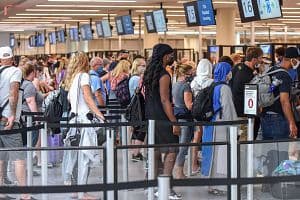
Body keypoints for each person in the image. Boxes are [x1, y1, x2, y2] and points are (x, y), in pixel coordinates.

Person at [63, 52, 106, 200]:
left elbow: (70, 99)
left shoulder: (73, 79)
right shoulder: (85, 77)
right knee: (85, 157)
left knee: (75, 156)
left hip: (73, 121)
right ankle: (83, 193)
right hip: (84, 121)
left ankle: (76, 189)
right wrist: (100, 115)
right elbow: (88, 98)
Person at [143, 43, 181, 199]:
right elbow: (165, 100)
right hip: (162, 117)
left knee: (156, 151)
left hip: (150, 115)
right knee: (172, 150)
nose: (172, 58)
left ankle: (153, 185)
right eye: (171, 55)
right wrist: (173, 122)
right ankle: (166, 188)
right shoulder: (164, 75)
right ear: (166, 56)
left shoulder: (149, 73)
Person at [0, 46, 31, 199]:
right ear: (12, 59)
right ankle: (25, 195)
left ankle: (2, 191)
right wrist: (12, 115)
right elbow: (13, 93)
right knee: (19, 158)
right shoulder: (15, 71)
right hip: (7, 119)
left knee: (1, 157)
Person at [202, 62, 237, 196]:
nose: (230, 74)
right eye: (229, 71)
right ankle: (221, 185)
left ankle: (210, 184)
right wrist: (234, 127)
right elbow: (228, 108)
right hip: (221, 125)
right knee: (221, 155)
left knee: (211, 154)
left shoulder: (211, 84)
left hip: (210, 124)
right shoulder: (225, 88)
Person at [261, 47, 299, 140]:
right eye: (298, 60)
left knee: (268, 151)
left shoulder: (272, 69)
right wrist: (292, 123)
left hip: (265, 117)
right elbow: (284, 101)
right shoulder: (285, 76)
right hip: (278, 119)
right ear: (292, 59)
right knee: (280, 152)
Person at [231, 47, 263, 140]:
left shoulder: (237, 68)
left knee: (238, 141)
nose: (261, 61)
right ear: (254, 60)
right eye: (260, 58)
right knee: (244, 143)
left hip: (235, 111)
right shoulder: (249, 75)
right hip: (245, 115)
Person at [190, 59, 214, 173]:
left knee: (196, 138)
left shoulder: (194, 82)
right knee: (207, 138)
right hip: (207, 114)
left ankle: (193, 164)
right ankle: (206, 162)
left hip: (196, 113)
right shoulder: (211, 82)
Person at [172, 64, 194, 179]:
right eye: (191, 72)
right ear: (185, 74)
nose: (192, 75)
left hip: (177, 117)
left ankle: (178, 169)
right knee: (183, 146)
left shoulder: (175, 85)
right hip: (185, 119)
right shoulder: (186, 86)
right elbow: (189, 105)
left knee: (180, 145)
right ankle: (179, 171)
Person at [129, 57, 147, 162]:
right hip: (139, 108)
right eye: (142, 66)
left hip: (135, 108)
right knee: (141, 130)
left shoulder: (132, 78)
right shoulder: (136, 79)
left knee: (136, 130)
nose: (145, 68)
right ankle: (136, 153)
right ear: (137, 66)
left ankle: (136, 152)